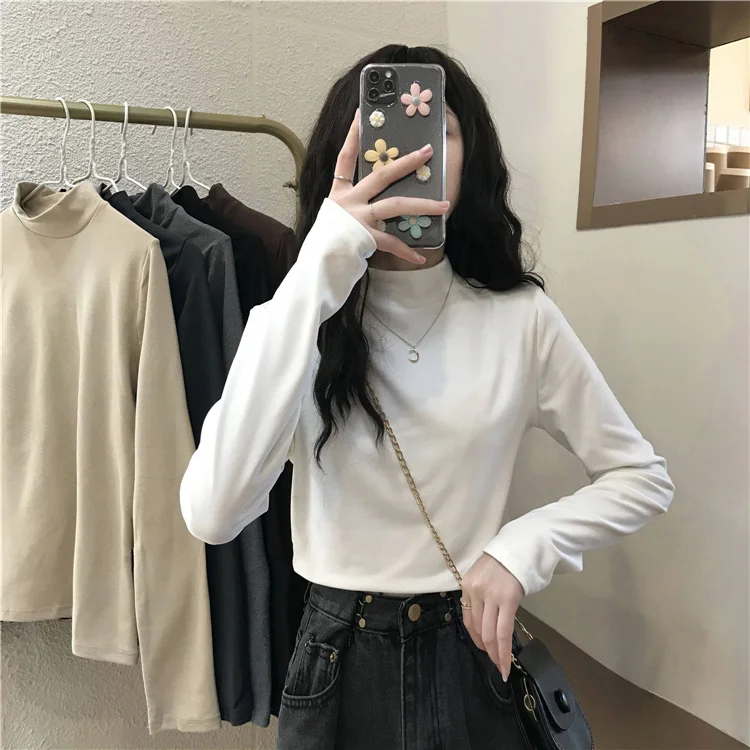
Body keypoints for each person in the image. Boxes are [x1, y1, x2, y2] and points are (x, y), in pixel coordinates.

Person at [180, 44, 674, 750]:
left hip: (471, 649)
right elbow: (213, 512)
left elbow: (641, 476)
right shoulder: (299, 318)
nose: (408, 154)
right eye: (381, 130)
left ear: (472, 157)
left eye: (438, 130)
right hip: (336, 659)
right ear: (342, 157)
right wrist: (318, 271)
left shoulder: (521, 319)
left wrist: (522, 548)